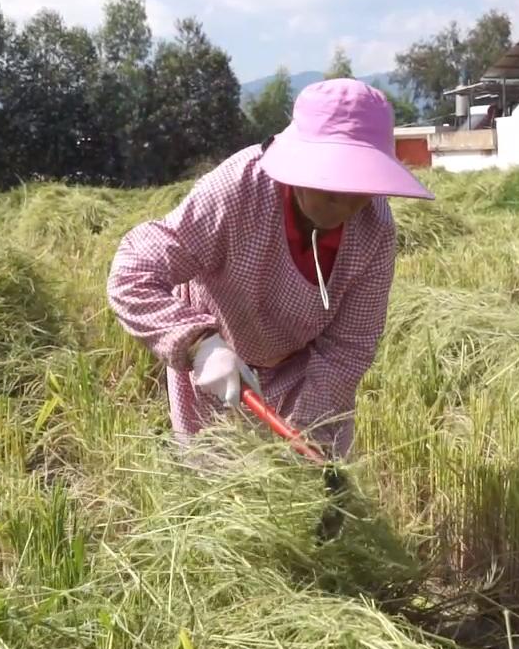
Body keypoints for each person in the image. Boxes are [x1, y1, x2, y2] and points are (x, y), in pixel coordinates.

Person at [106, 78, 433, 459]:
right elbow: (132, 274)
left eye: (359, 183)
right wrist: (197, 343)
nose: (346, 202)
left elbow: (348, 348)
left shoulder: (374, 229)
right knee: (217, 488)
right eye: (332, 181)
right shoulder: (239, 191)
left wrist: (306, 432)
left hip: (301, 371)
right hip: (218, 368)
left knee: (312, 489)